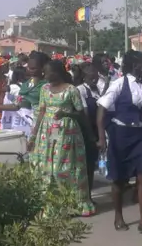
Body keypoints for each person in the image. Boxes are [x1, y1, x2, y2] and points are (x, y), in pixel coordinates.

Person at [97, 50, 142, 233]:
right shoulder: (118, 84)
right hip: (121, 135)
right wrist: (102, 137)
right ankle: (118, 215)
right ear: (134, 66)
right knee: (119, 179)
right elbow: (102, 109)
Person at [28, 60, 94, 216]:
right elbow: (41, 112)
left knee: (63, 169)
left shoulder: (71, 90)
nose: (45, 75)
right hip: (47, 134)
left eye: (48, 71)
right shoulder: (44, 89)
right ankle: (51, 205)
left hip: (67, 134)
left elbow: (80, 113)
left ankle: (72, 204)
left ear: (57, 72)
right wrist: (33, 135)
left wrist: (66, 114)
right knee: (47, 169)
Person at [73, 61, 103, 193]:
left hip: (96, 131)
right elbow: (84, 114)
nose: (95, 79)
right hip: (85, 132)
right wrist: (91, 137)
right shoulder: (80, 90)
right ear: (84, 77)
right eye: (92, 77)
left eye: (96, 76)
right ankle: (83, 194)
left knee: (91, 165)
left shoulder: (97, 90)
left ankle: (88, 194)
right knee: (83, 166)